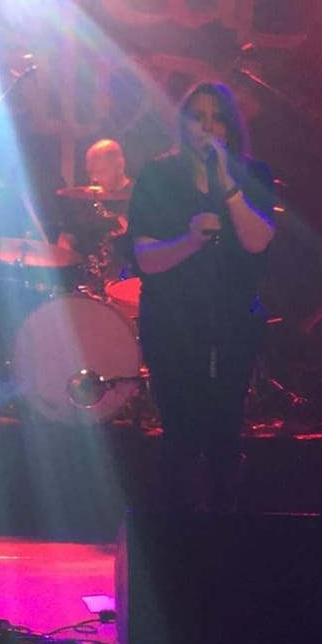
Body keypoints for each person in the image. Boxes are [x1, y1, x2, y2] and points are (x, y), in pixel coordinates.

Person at [127, 81, 276, 511]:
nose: (208, 127)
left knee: (226, 431)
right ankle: (173, 532)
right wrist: (191, 241)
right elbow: (146, 258)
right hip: (171, 322)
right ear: (183, 123)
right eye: (198, 117)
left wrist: (229, 186)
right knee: (180, 432)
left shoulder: (253, 175)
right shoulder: (158, 176)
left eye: (217, 118)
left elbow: (258, 241)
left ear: (231, 127)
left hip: (233, 322)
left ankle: (225, 531)